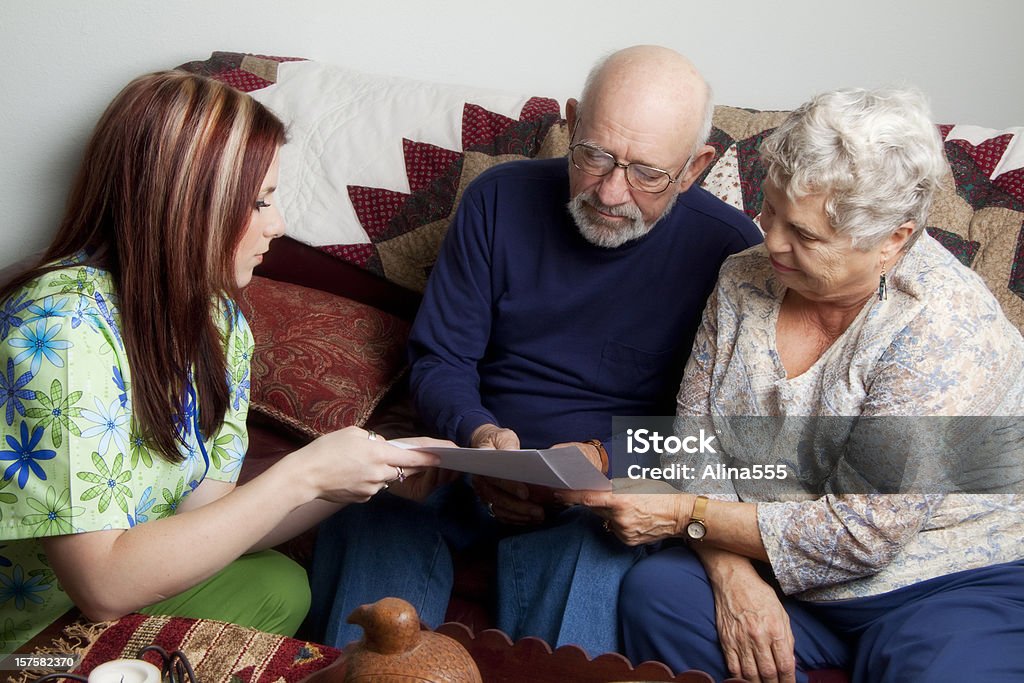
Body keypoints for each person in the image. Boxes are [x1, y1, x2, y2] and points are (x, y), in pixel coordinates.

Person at [308, 45, 763, 655]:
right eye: (595, 155)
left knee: (592, 553)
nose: (610, 192)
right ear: (572, 124)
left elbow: (717, 428)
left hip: (603, 498)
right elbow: (441, 358)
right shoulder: (497, 198)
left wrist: (605, 461)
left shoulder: (732, 253)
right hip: (473, 463)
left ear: (694, 166)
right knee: (374, 517)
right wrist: (478, 437)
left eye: (647, 173)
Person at [560, 87, 1024, 682]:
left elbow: (861, 536)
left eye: (804, 234)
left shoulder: (946, 326)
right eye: (771, 210)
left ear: (894, 239)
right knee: (658, 594)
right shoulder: (743, 279)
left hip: (943, 581)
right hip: (774, 562)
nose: (771, 240)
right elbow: (697, 450)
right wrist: (732, 575)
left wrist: (682, 516)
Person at [0, 71, 441, 652]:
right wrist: (301, 473)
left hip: (101, 603)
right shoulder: (58, 329)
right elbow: (101, 583)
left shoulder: (220, 322)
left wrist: (349, 479)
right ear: (178, 200)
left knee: (278, 586)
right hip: (25, 635)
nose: (277, 224)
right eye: (257, 201)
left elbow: (208, 516)